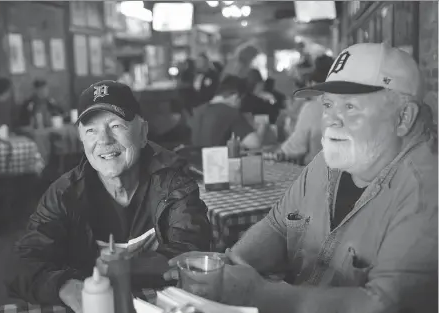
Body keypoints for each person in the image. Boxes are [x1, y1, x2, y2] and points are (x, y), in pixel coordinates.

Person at [165, 43, 438, 313]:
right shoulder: (328, 163)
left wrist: (256, 293)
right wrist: (229, 266)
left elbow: (383, 304)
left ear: (404, 117)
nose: (332, 119)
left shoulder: (426, 191)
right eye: (328, 104)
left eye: (350, 107)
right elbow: (278, 226)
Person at [7, 81, 212, 311]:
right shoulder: (64, 194)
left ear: (143, 132)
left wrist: (128, 268)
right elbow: (23, 263)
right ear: (82, 139)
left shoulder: (173, 184)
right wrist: (65, 286)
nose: (104, 140)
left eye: (116, 126)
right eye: (91, 130)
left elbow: (194, 251)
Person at [267, 55, 335, 165]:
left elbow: (296, 146)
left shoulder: (313, 108)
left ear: (313, 84)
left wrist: (276, 154)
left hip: (322, 174)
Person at [190, 75, 267, 149]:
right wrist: (262, 127)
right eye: (241, 101)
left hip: (196, 161)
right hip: (218, 161)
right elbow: (255, 143)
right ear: (235, 97)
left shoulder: (198, 110)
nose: (240, 106)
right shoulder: (230, 112)